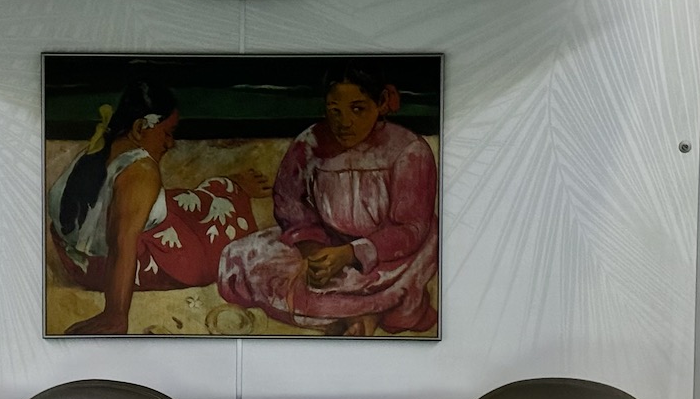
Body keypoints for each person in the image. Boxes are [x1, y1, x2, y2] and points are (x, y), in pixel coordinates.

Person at [216, 66, 438, 336]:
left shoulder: (409, 150)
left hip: (389, 252)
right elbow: (289, 199)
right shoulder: (310, 142)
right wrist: (313, 250)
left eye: (357, 109)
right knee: (241, 257)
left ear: (380, 103)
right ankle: (351, 317)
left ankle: (361, 315)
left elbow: (411, 227)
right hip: (327, 239)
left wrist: (350, 254)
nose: (344, 122)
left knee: (389, 284)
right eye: (335, 110)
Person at [47, 76, 261, 335]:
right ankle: (230, 187)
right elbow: (122, 244)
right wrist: (115, 315)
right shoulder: (141, 170)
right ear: (139, 128)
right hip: (104, 268)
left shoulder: (95, 151)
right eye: (167, 133)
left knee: (179, 203)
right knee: (216, 228)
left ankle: (225, 186)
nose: (171, 143)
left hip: (75, 261)